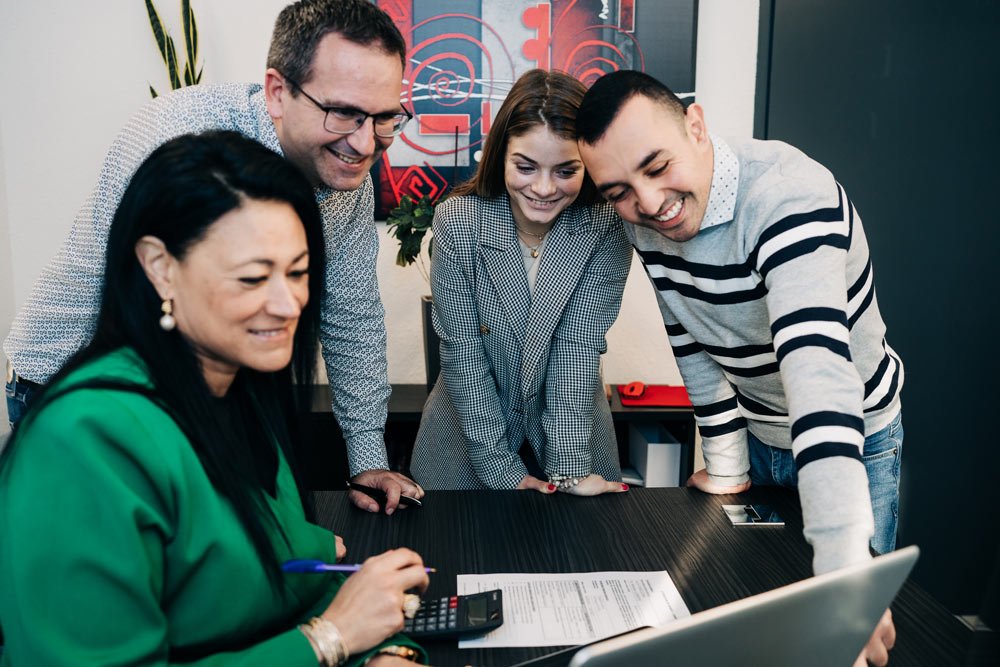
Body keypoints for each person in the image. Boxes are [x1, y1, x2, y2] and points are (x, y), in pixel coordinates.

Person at [0, 132, 428, 666]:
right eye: (252, 277)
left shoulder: (237, 393)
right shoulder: (83, 441)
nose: (288, 302)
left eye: (298, 273)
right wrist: (329, 640)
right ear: (159, 266)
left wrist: (388, 652)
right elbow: (327, 622)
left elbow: (298, 583)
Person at [1, 0, 421, 514]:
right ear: (277, 92)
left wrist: (366, 459)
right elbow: (129, 305)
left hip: (211, 397)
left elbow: (351, 313)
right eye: (345, 113)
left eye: (384, 117)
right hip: (80, 385)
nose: (364, 142)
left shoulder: (341, 165)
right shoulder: (174, 137)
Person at [577, 70, 904, 666]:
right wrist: (726, 464)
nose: (647, 205)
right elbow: (690, 336)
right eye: (618, 191)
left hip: (849, 437)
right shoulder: (644, 224)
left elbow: (819, 376)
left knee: (848, 640)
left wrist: (844, 574)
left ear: (696, 128)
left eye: (656, 167)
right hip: (758, 434)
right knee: (759, 618)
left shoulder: (788, 198)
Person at [410, 70, 631, 496]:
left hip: (575, 436)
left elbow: (576, 348)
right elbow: (463, 354)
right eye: (525, 167)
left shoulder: (606, 226)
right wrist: (500, 469)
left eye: (566, 170)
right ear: (500, 156)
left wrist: (567, 472)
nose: (544, 189)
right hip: (466, 441)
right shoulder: (459, 222)